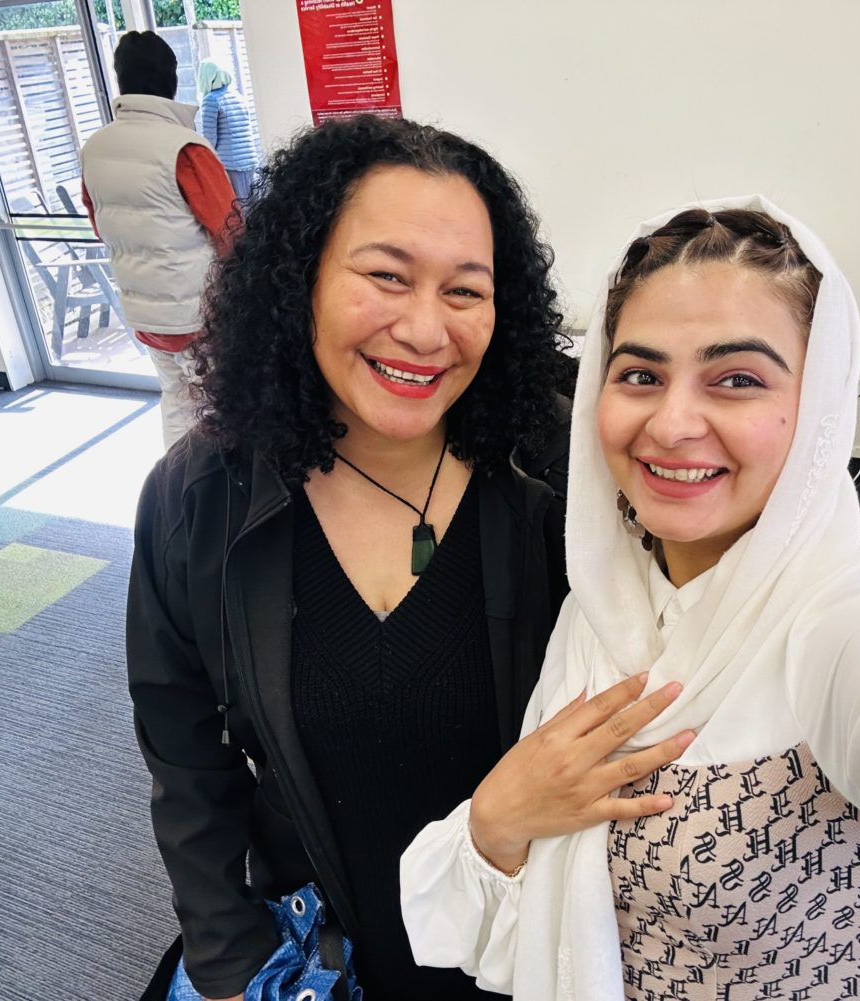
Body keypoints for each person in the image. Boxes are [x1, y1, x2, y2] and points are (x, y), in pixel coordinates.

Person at [401, 196, 860, 1000]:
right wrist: (498, 813)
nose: (672, 422)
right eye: (639, 373)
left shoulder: (849, 618)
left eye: (736, 378)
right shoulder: (605, 610)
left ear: (813, 405)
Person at [126, 114, 577, 1001]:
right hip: (321, 937)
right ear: (302, 283)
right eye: (385, 276)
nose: (423, 329)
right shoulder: (197, 499)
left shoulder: (557, 476)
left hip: (525, 936)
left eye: (465, 291)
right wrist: (229, 966)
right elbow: (186, 765)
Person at [80, 31, 238, 450]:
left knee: (176, 402)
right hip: (199, 312)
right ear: (172, 80)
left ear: (121, 81)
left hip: (144, 312)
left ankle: (180, 497)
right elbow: (230, 232)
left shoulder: (94, 148)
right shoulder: (185, 148)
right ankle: (228, 499)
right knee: (226, 404)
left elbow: (100, 224)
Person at [196, 58, 260, 205]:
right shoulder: (239, 97)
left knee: (235, 210)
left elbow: (209, 139)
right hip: (250, 161)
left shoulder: (210, 100)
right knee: (252, 206)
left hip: (229, 164)